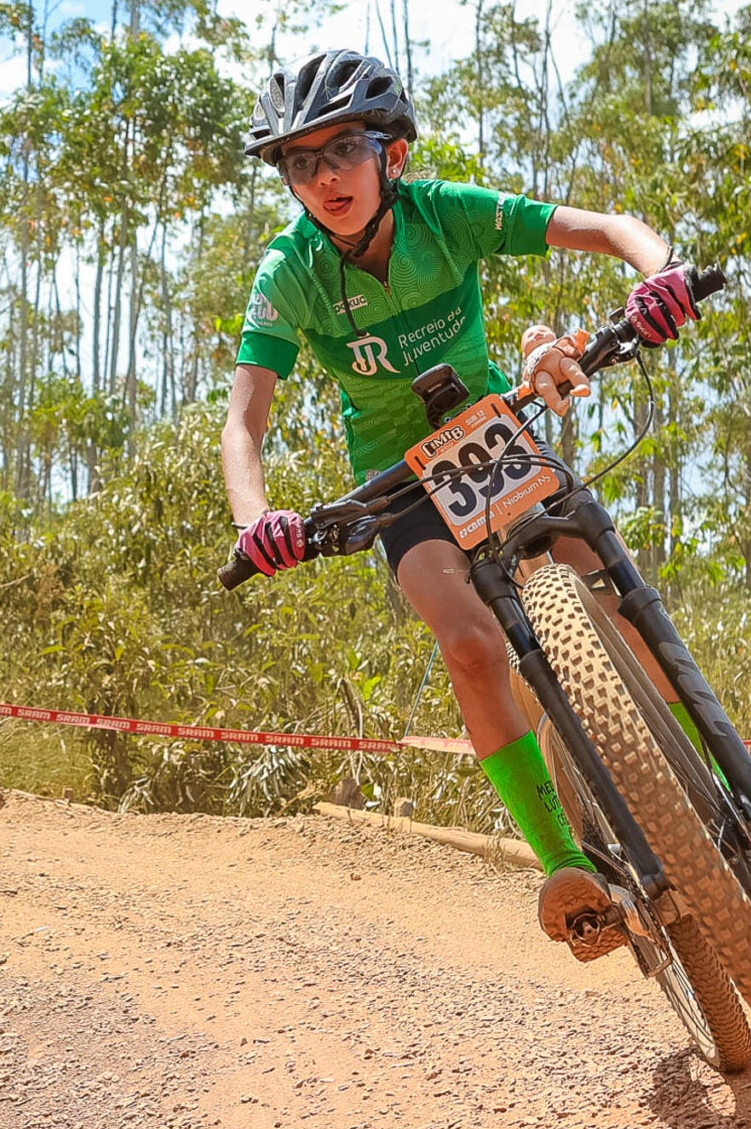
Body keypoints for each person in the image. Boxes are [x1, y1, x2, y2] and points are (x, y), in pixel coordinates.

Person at [219, 47, 698, 962]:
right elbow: (245, 420)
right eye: (299, 162)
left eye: (342, 150)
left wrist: (657, 274)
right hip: (397, 483)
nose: (323, 177)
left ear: (390, 154)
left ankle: (718, 784)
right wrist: (258, 524)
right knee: (472, 644)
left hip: (493, 435)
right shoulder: (290, 274)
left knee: (615, 602)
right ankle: (566, 867)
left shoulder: (446, 214)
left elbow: (608, 227)